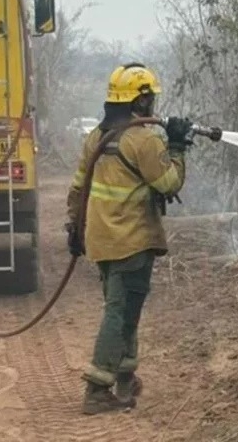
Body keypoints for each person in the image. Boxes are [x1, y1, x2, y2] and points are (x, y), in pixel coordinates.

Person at [65, 63, 190, 415]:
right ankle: (97, 389)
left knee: (124, 308)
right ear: (141, 100)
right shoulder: (144, 140)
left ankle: (125, 377)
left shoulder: (97, 137)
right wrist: (177, 147)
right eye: (150, 98)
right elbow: (169, 183)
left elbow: (78, 187)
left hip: (101, 240)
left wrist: (74, 228)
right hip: (132, 241)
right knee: (120, 314)